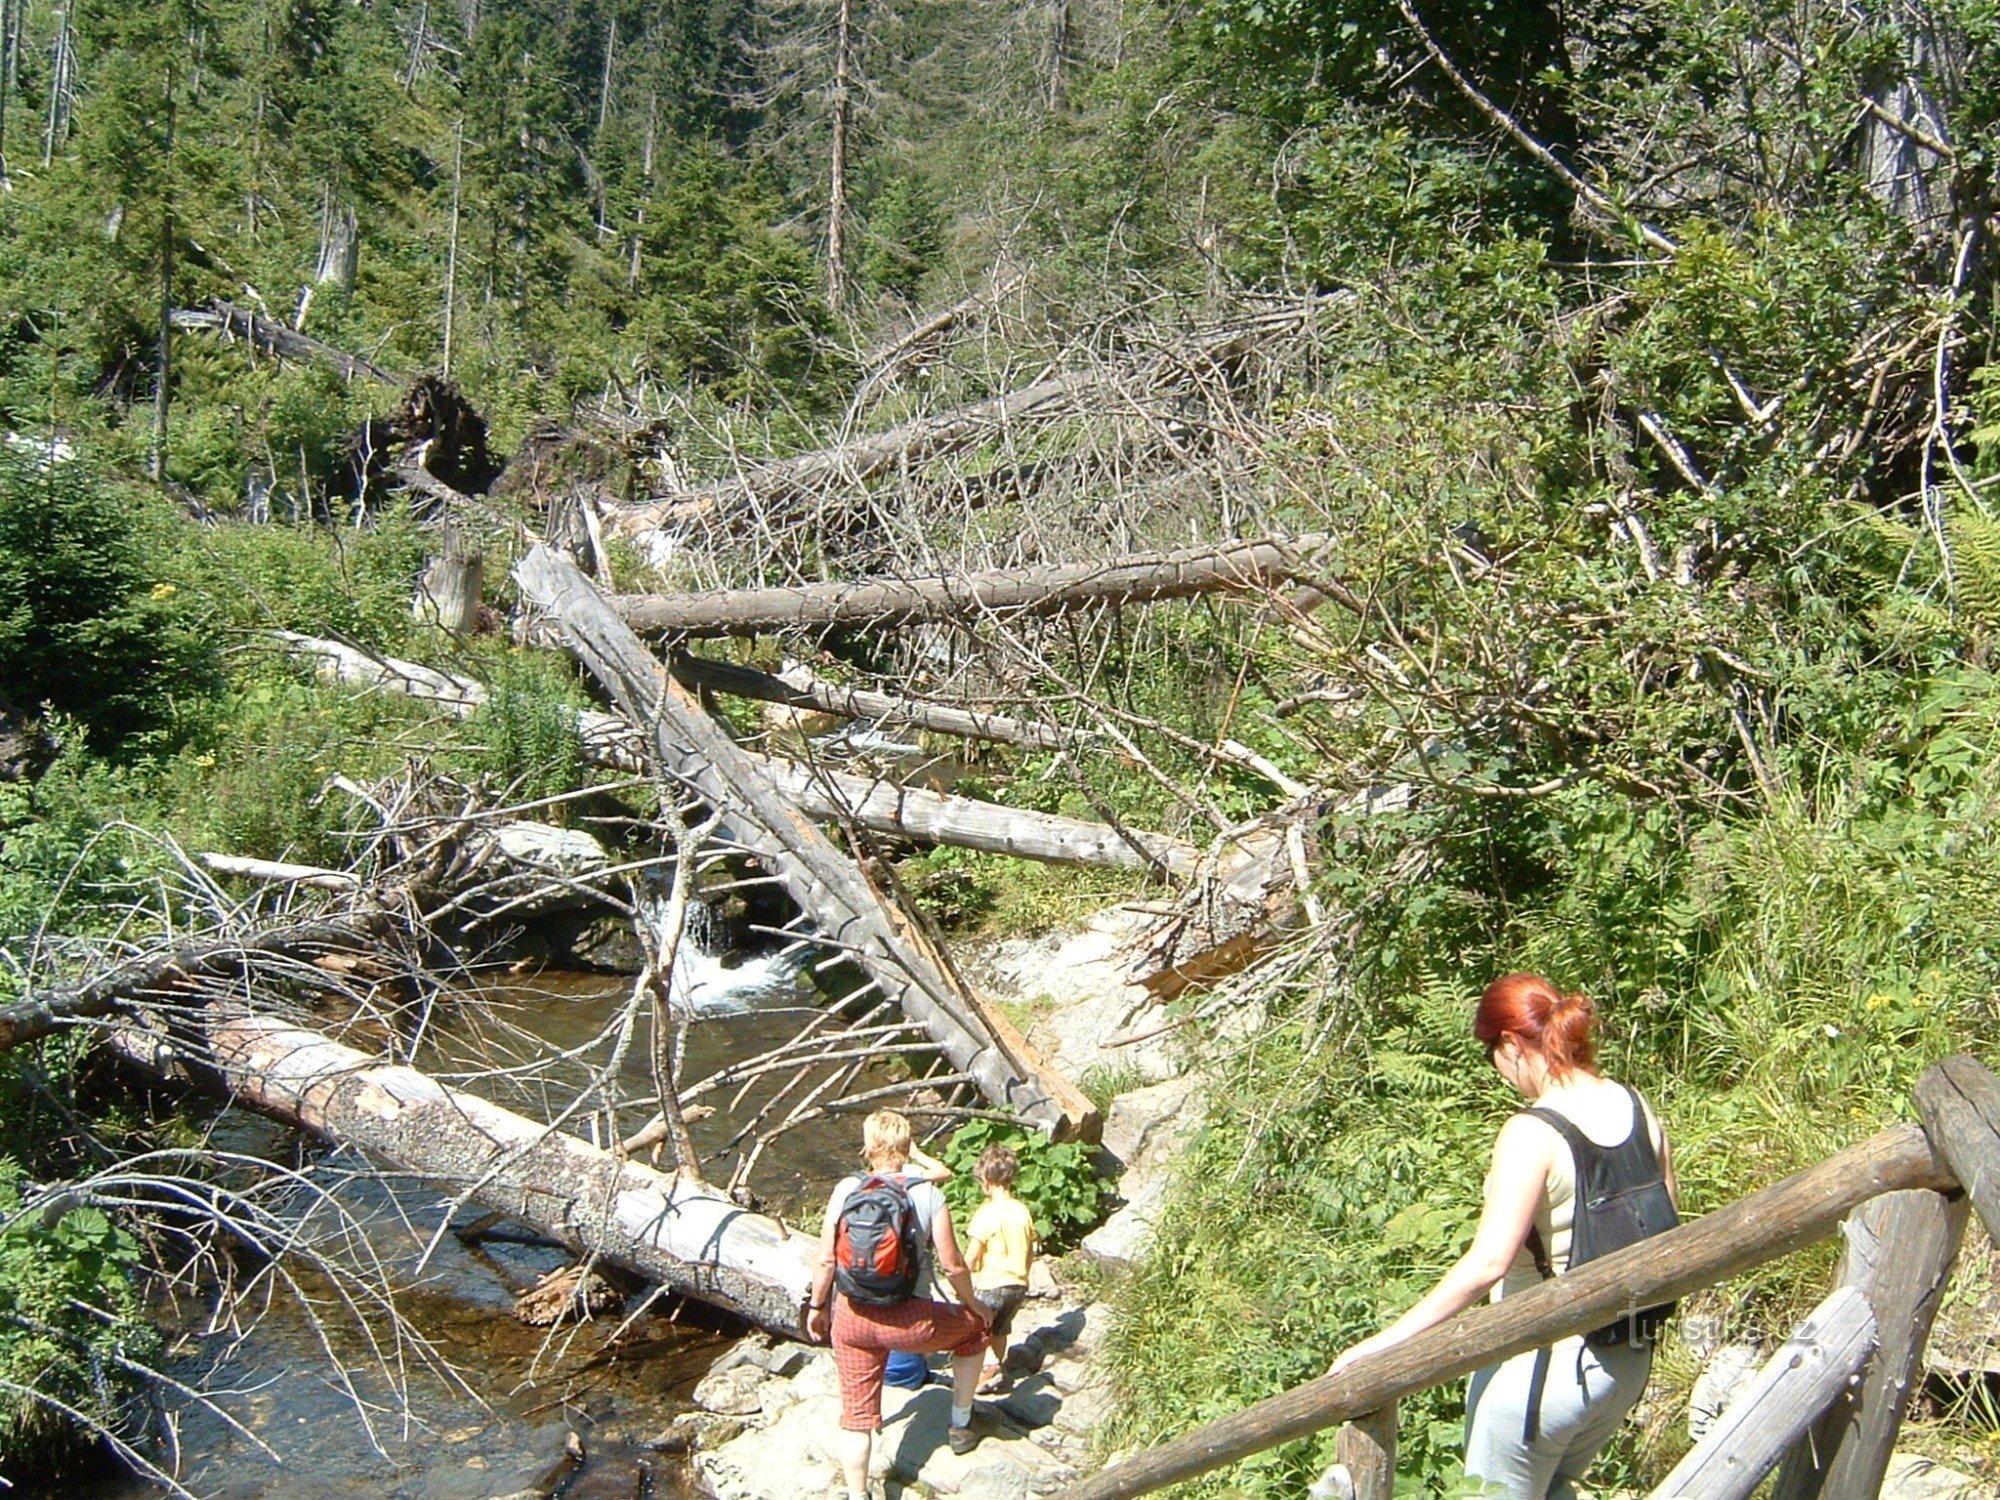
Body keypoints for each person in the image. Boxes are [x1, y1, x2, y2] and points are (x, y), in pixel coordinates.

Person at [1328, 973, 1677, 1500]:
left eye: (1492, 1052)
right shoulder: (1635, 1105)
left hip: (1539, 1372)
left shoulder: (1533, 1132)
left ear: (1511, 1044)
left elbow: (1488, 1263)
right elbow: (1667, 1222)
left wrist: (1381, 1346)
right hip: (1622, 1367)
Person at [807, 1110, 995, 1498]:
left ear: (868, 1146)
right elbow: (952, 1264)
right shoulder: (928, 1193)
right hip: (911, 1321)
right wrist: (975, 1305)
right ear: (908, 1146)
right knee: (976, 1329)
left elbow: (826, 1259)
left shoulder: (846, 1190)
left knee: (856, 1419)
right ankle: (961, 1423)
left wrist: (818, 1307)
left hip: (852, 1316)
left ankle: (858, 1495)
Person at [963, 1143, 1038, 1393]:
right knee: (1000, 1329)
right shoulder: (1022, 1211)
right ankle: (996, 1371)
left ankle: (986, 1370)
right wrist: (1024, 1274)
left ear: (985, 1179)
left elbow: (972, 1255)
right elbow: (1030, 1250)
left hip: (991, 1283)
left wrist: (961, 1282)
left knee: (975, 1329)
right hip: (1017, 1284)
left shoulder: (987, 1213)